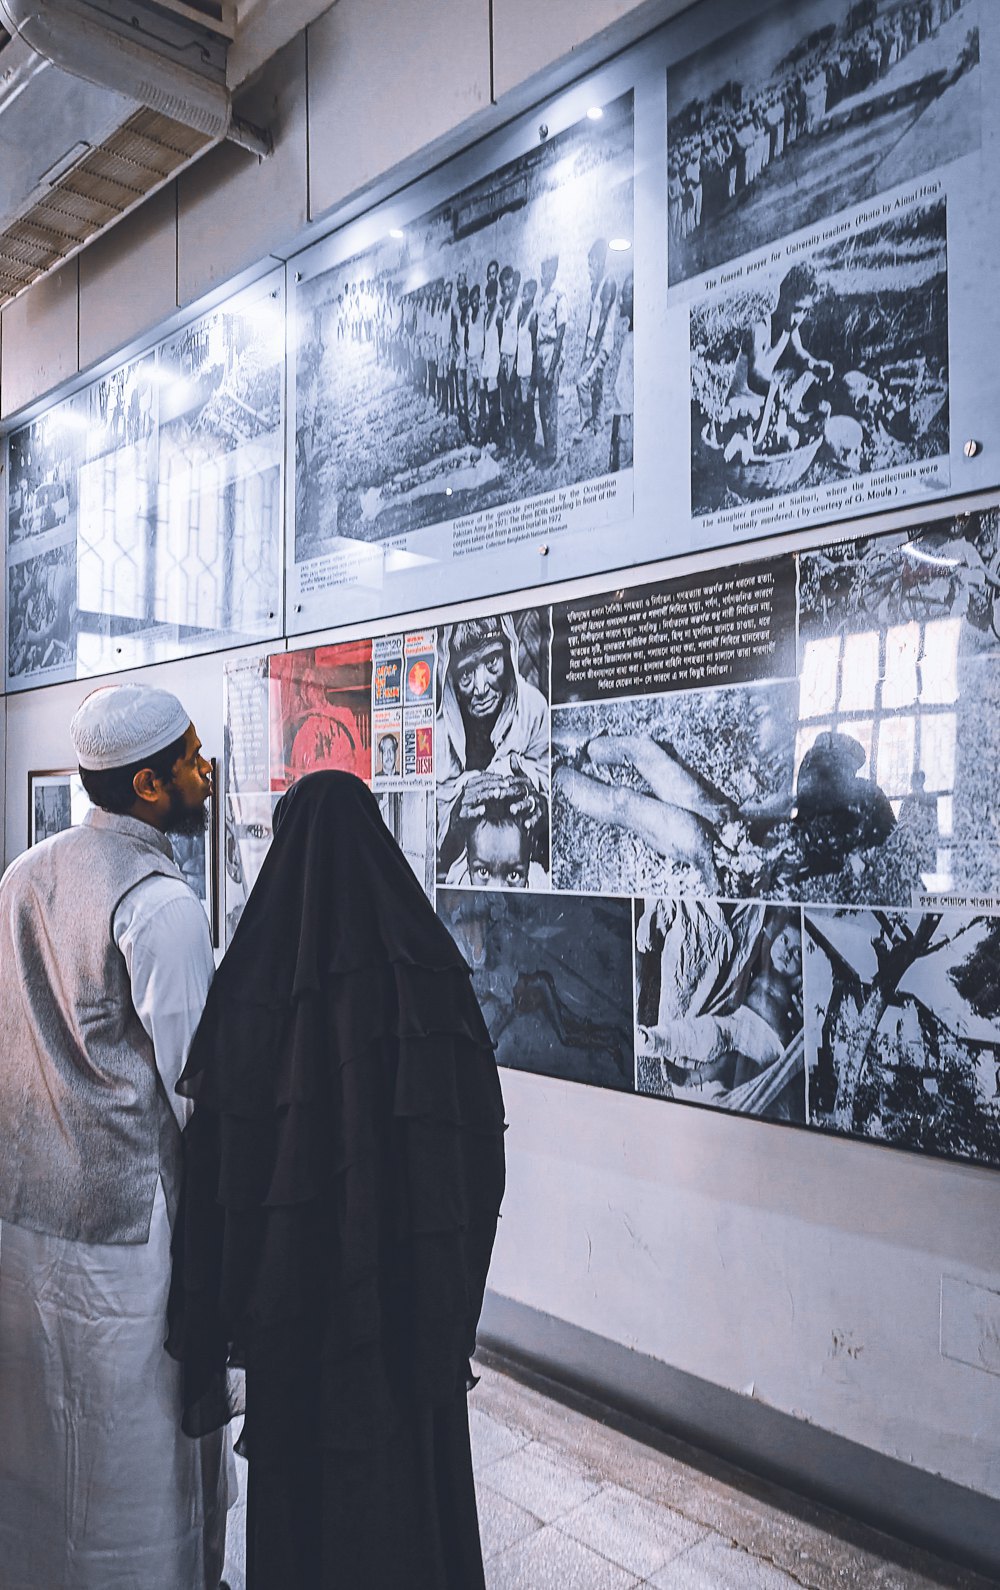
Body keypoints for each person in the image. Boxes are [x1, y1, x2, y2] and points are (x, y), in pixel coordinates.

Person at [167, 771, 506, 1589]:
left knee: (305, 1506)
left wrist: (225, 1302)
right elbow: (480, 1151)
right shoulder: (430, 966)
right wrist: (449, 1282)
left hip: (295, 1312)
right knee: (410, 1483)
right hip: (407, 1306)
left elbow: (215, 1169)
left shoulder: (252, 986)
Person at [0, 683, 233, 1589]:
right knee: (124, 1463)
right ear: (146, 786)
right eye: (189, 761)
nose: (204, 774)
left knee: (38, 1446)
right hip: (128, 1238)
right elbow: (194, 1083)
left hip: (25, 1212)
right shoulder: (158, 901)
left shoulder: (24, 874)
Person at [436, 615, 549, 875]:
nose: (481, 686)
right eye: (466, 673)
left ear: (509, 655)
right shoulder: (439, 733)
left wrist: (539, 805)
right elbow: (430, 837)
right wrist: (455, 820)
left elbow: (549, 782)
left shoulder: (533, 710)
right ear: (451, 677)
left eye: (491, 662)